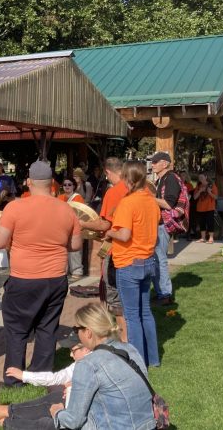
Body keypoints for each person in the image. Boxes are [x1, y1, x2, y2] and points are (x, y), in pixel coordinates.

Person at [0, 161, 81, 386]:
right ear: (52, 183)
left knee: (17, 330)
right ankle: (41, 376)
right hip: (55, 278)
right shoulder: (66, 209)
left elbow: (0, 242)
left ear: (29, 182)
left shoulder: (14, 208)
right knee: (47, 328)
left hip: (24, 278)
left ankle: (14, 379)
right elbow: (75, 245)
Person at [49, 304, 156, 430]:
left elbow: (73, 421)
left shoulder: (87, 364)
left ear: (88, 332)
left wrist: (57, 413)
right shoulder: (130, 349)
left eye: (77, 329)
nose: (76, 333)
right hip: (149, 425)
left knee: (49, 420)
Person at [105, 161, 160, 367]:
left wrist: (110, 232)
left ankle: (137, 361)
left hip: (128, 262)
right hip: (147, 260)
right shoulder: (150, 200)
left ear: (127, 179)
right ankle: (153, 359)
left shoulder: (128, 202)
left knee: (131, 316)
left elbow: (124, 234)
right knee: (145, 311)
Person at [0, 338, 92, 428]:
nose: (70, 354)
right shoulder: (88, 361)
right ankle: (0, 413)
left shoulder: (92, 365)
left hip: (87, 421)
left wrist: (23, 376)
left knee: (48, 421)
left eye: (73, 350)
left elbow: (74, 420)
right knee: (56, 394)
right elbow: (58, 377)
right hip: (83, 414)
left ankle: (1, 418)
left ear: (86, 349)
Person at [79, 157, 128, 341]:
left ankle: (122, 340)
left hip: (116, 251)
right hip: (137, 253)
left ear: (108, 172)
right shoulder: (140, 190)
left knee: (115, 299)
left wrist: (82, 223)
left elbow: (104, 224)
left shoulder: (113, 192)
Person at [150, 151, 178, 305]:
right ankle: (161, 293)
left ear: (165, 164)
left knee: (160, 260)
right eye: (152, 162)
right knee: (155, 260)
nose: (152, 164)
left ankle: (165, 294)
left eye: (155, 161)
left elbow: (169, 204)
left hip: (163, 226)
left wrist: (148, 198)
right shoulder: (162, 179)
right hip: (157, 224)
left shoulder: (171, 178)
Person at [193, 173, 218, 244]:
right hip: (200, 208)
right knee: (202, 223)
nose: (200, 179)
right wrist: (200, 191)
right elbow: (195, 197)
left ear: (206, 177)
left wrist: (209, 192)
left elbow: (216, 197)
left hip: (209, 207)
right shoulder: (198, 186)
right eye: (199, 177)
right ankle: (203, 238)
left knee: (210, 223)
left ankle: (211, 238)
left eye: (202, 177)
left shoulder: (212, 185)